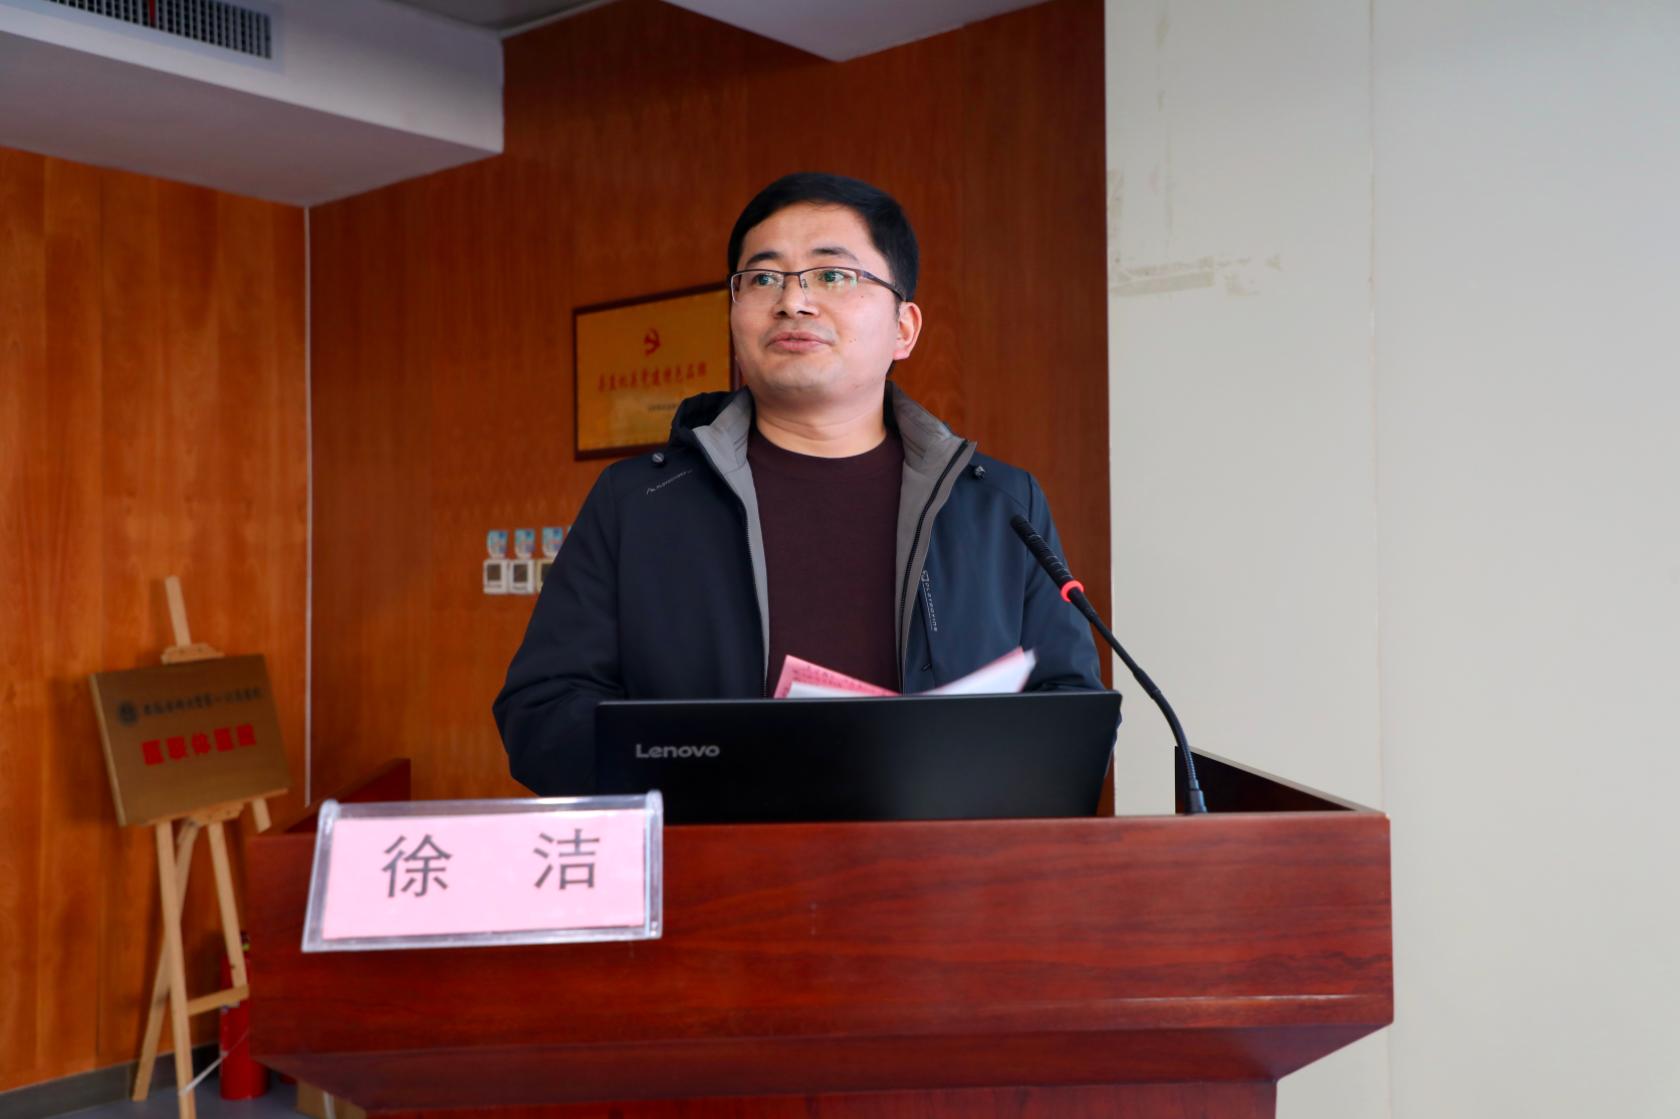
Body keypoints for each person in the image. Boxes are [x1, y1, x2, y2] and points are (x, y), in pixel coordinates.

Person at [494, 172, 1104, 795]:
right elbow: (542, 713)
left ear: (904, 328)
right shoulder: (637, 503)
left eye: (832, 275)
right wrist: (717, 767)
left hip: (940, 853)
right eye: (762, 279)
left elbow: (1071, 707)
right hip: (714, 852)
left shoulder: (1000, 504)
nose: (793, 301)